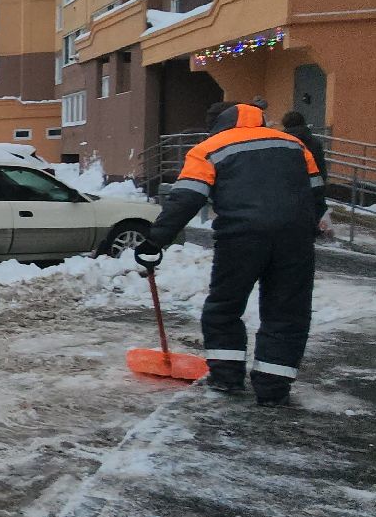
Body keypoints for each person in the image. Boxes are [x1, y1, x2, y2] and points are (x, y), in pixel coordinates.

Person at [135, 102, 326, 406]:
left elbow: (186, 199)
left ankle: (226, 378)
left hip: (240, 239)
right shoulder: (294, 144)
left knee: (225, 308)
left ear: (219, 124)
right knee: (287, 314)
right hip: (295, 240)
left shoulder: (209, 148)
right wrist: (305, 228)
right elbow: (317, 192)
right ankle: (273, 389)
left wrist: (154, 241)